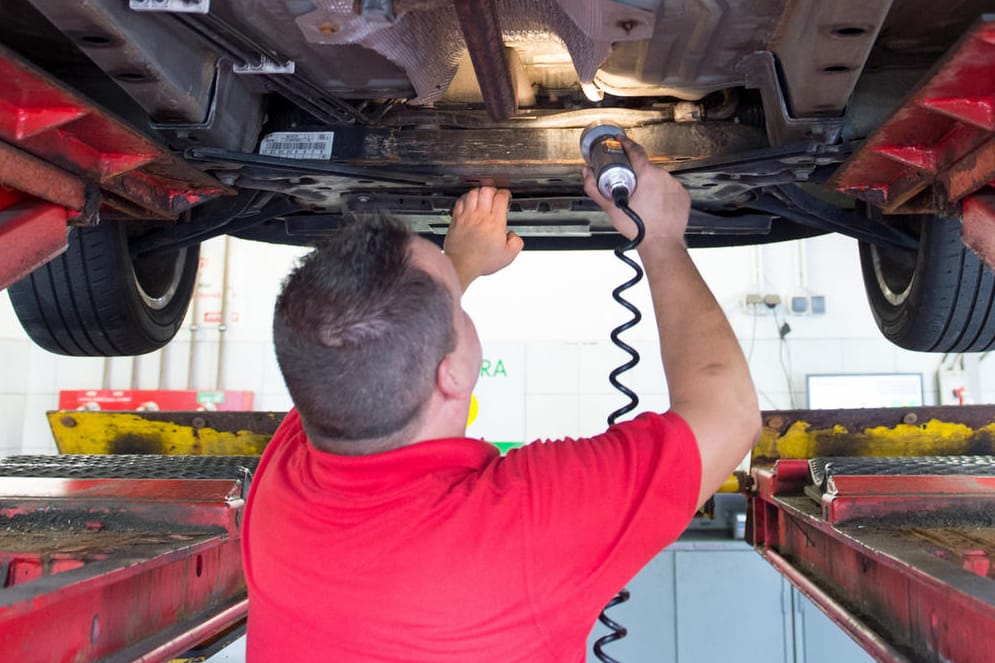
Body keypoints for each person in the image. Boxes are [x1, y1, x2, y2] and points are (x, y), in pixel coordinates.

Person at [241, 137, 761, 662]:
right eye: (458, 311)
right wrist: (662, 236)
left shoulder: (286, 490)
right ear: (453, 375)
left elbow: (368, 348)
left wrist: (458, 265)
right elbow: (728, 415)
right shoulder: (517, 531)